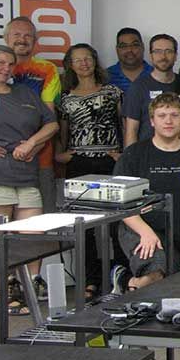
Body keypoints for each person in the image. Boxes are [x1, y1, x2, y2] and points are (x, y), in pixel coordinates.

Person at [112, 93, 180, 292]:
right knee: (156, 272)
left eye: (174, 115)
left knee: (177, 283)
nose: (168, 121)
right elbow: (120, 201)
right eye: (162, 116)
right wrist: (145, 232)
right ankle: (131, 286)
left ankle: (125, 280)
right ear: (152, 121)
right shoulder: (133, 155)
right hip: (141, 229)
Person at [55, 43, 123, 299]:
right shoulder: (65, 96)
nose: (84, 63)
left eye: (88, 58)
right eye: (78, 60)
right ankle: (91, 281)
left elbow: (123, 123)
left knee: (117, 224)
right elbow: (63, 132)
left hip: (109, 161)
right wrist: (61, 155)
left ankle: (120, 276)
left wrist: (123, 153)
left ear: (95, 61)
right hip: (80, 164)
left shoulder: (112, 92)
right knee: (86, 227)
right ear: (70, 65)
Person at [0, 45, 59, 314]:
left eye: (10, 64)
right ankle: (3, 288)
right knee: (1, 236)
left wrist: (33, 142)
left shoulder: (25, 93)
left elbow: (52, 123)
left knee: (32, 234)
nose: (5, 68)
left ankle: (29, 286)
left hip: (27, 173)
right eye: (0, 63)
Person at [123, 34, 179, 146]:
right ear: (150, 55)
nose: (163, 56)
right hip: (146, 156)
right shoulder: (138, 87)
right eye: (157, 51)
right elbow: (131, 131)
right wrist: (131, 160)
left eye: (168, 51)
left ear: (176, 55)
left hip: (179, 155)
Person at [106, 27, 153, 94]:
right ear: (117, 50)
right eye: (123, 46)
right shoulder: (105, 77)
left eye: (134, 45)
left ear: (142, 47)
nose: (129, 50)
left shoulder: (156, 75)